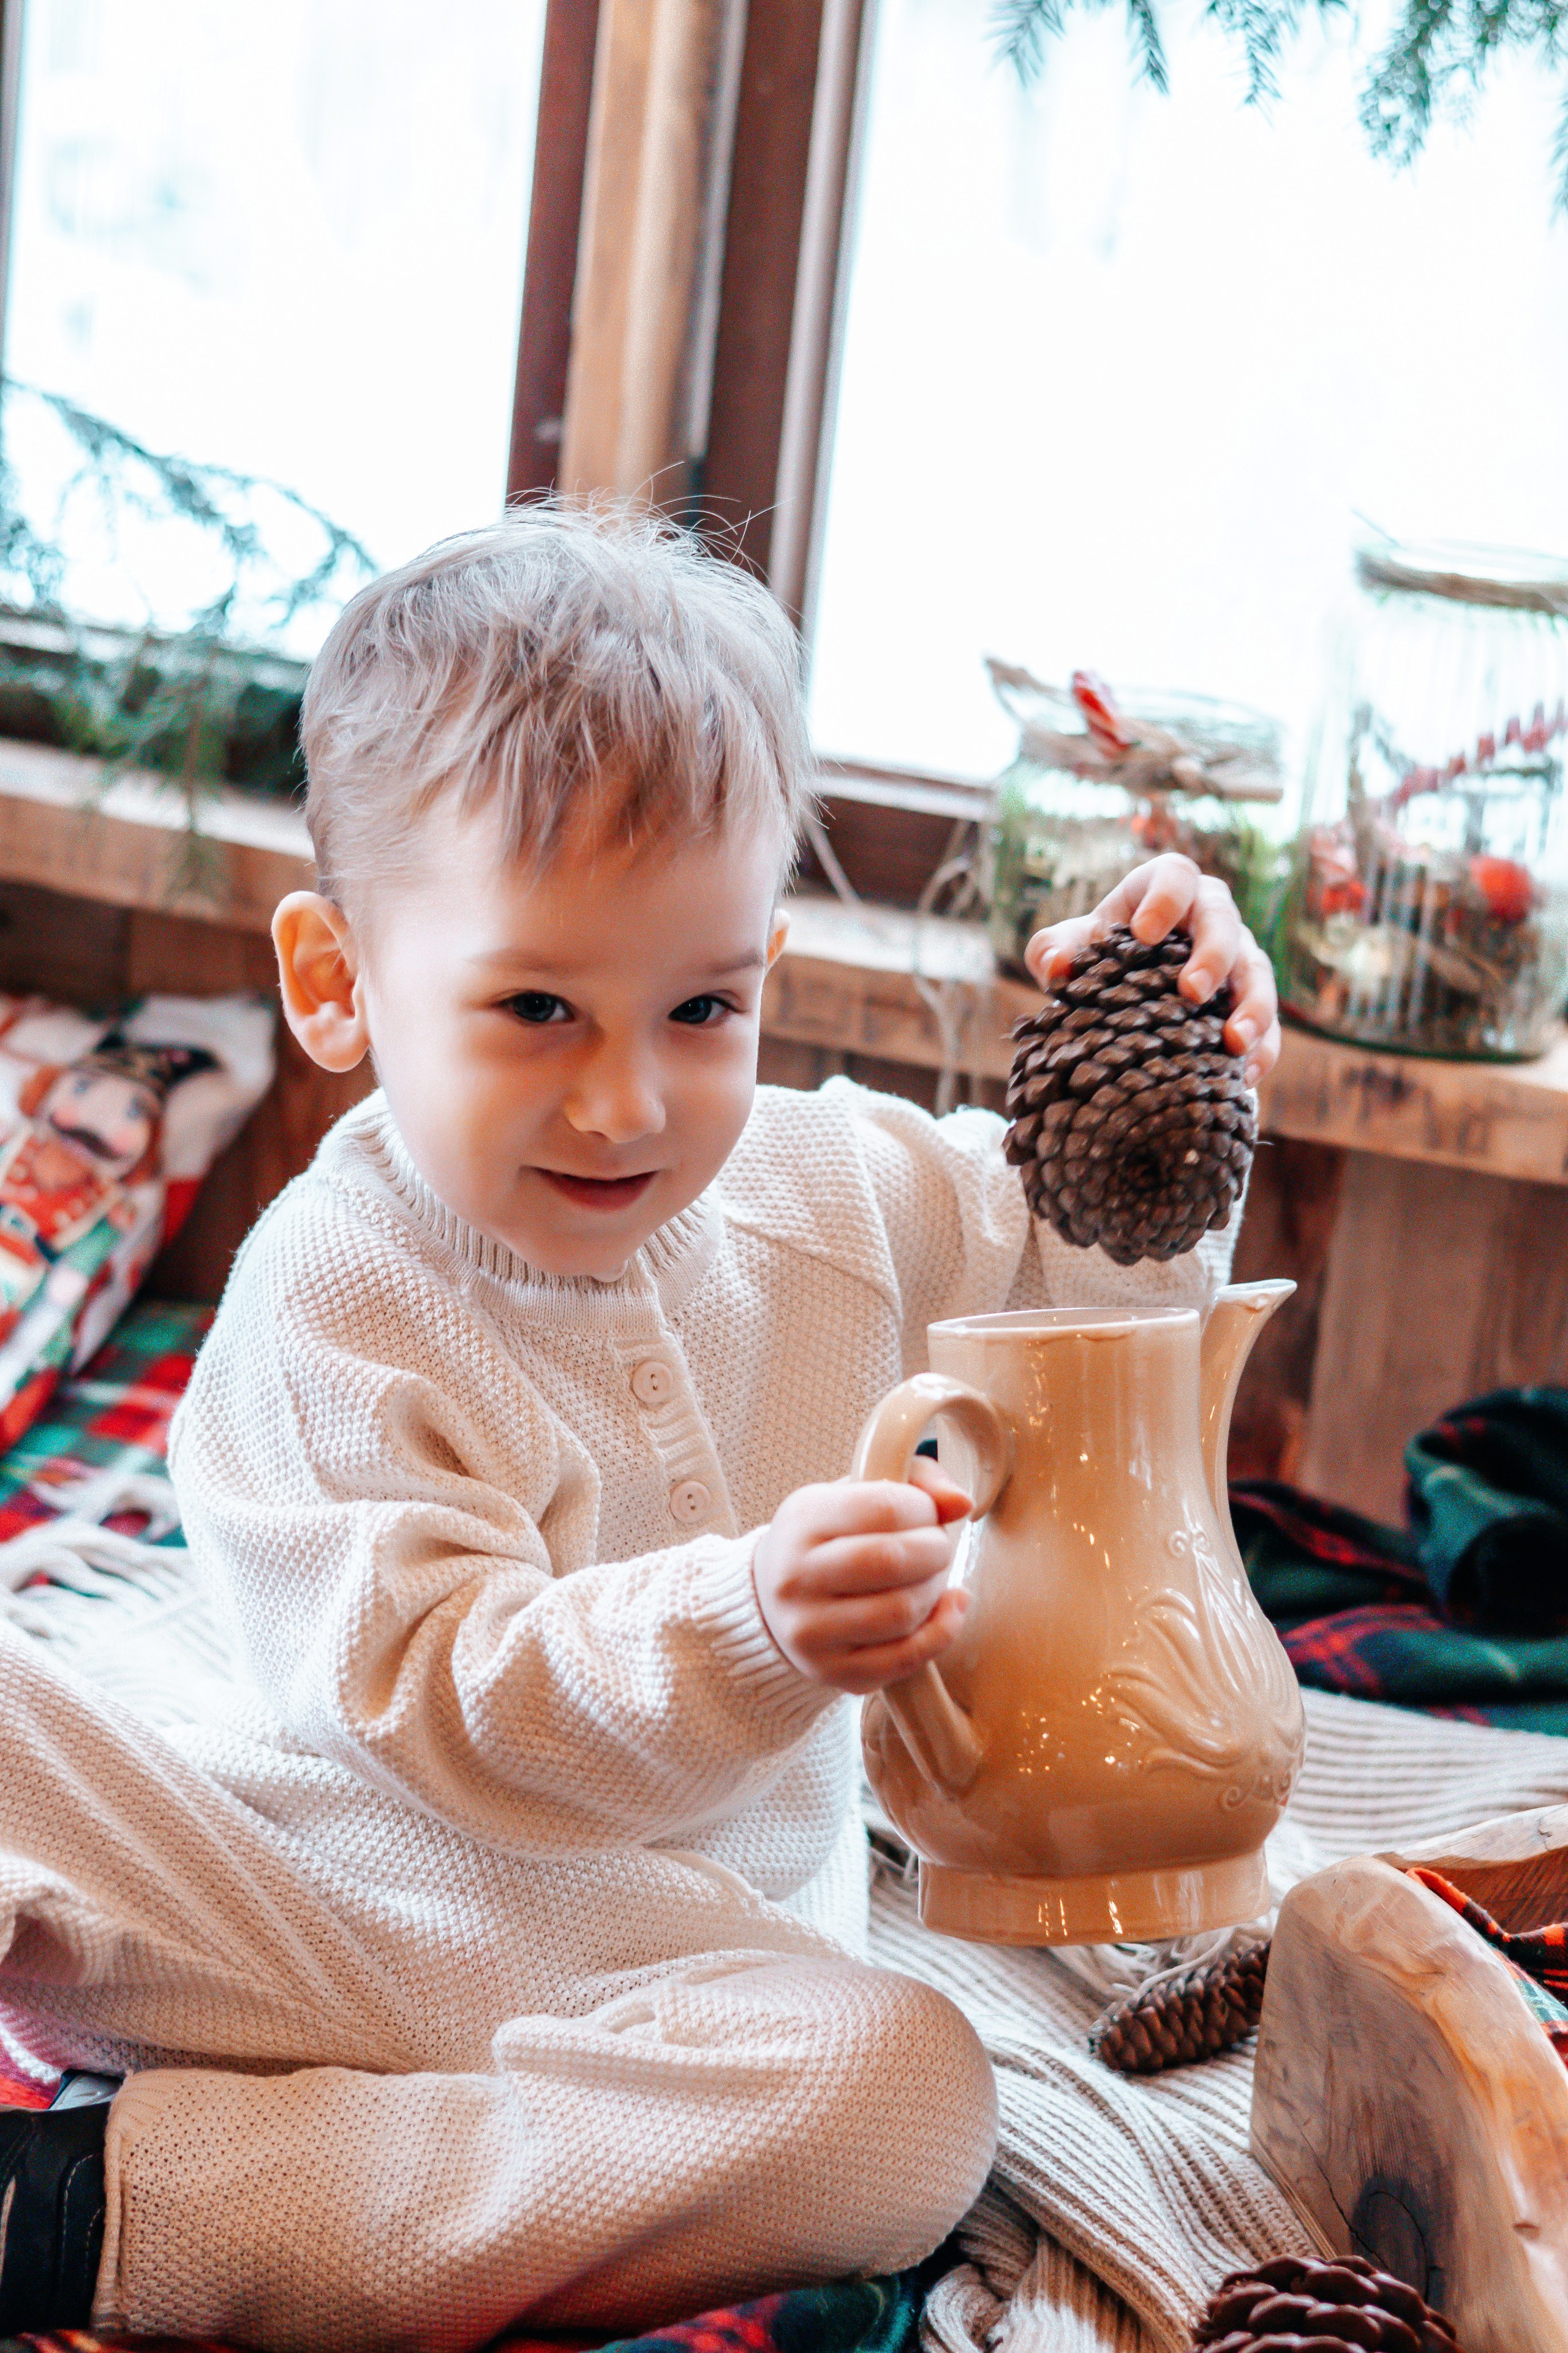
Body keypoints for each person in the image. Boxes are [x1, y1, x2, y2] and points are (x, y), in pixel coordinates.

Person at [0, 506, 1280, 2350]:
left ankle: (122, 2208)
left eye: (707, 1004)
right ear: (339, 984)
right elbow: (441, 1701)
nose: (628, 1099)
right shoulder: (330, 1294)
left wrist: (1173, 1067)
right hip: (332, 1881)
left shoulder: (834, 1189)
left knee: (912, 2111)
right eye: (536, 1007)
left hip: (687, 1974)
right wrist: (749, 1621)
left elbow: (1098, 1329)